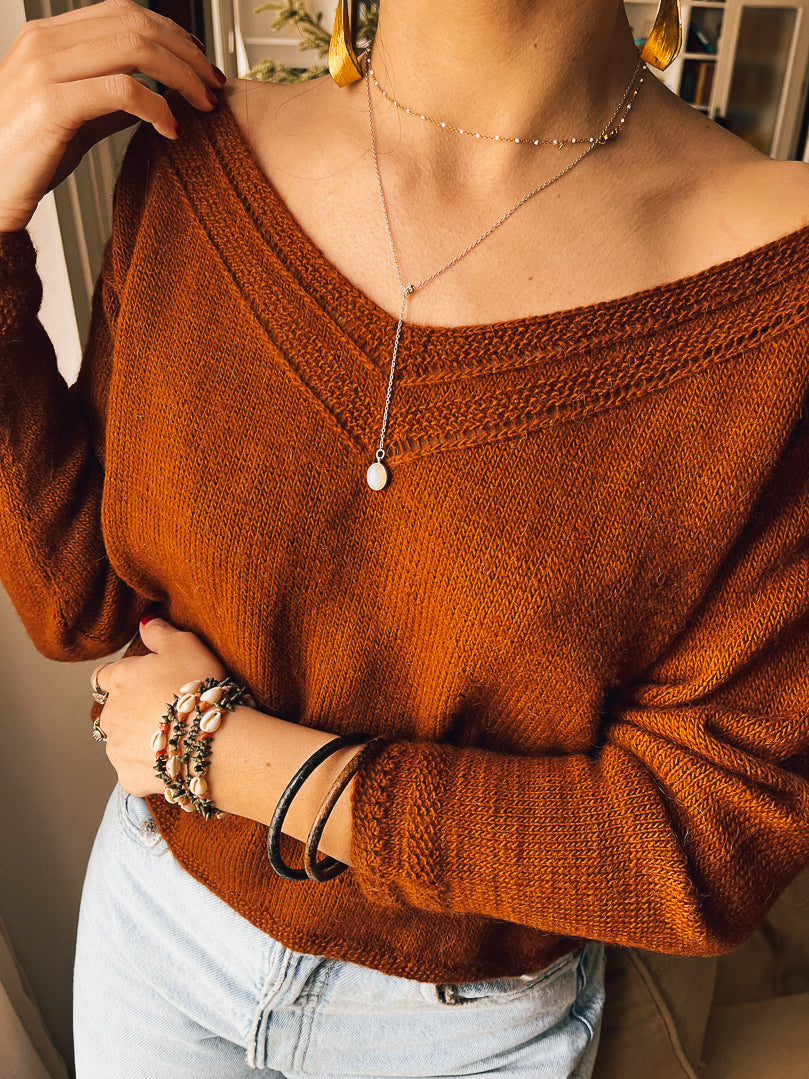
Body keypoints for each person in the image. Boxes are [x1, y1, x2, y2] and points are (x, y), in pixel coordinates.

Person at [1, 0, 808, 1075]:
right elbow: (77, 603)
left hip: (460, 1026)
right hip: (156, 925)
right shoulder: (192, 157)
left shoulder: (780, 296)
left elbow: (693, 847)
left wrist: (223, 753)